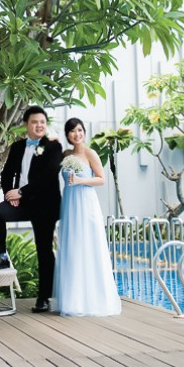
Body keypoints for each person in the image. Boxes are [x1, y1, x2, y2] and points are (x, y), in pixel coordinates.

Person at [0, 105, 63, 313]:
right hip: (21, 203)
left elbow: (47, 177)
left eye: (42, 122)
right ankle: (1, 256)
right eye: (34, 122)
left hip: (45, 204)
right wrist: (10, 195)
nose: (39, 126)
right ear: (26, 124)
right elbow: (7, 173)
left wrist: (21, 192)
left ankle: (44, 298)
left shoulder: (53, 147)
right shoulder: (18, 146)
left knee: (44, 250)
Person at [53, 118, 121, 317]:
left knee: (89, 245)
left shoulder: (90, 153)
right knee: (72, 246)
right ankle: (73, 300)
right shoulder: (66, 155)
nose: (77, 134)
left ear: (83, 132)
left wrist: (81, 180)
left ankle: (94, 300)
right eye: (72, 131)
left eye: (80, 130)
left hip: (86, 203)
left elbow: (101, 179)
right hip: (70, 205)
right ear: (68, 135)